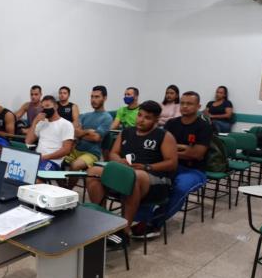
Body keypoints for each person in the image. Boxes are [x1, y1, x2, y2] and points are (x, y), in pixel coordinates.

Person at [87, 101, 178, 238]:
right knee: (93, 172)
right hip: (127, 173)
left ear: (156, 120)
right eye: (139, 115)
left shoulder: (164, 136)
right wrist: (119, 161)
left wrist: (147, 167)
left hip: (154, 180)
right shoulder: (126, 132)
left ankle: (124, 230)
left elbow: (172, 163)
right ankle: (101, 220)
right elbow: (113, 153)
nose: (141, 120)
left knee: (133, 176)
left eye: (147, 118)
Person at [152, 91, 212, 231]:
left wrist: (172, 149)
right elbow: (160, 146)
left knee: (180, 187)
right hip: (170, 165)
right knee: (148, 179)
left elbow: (197, 154)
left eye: (189, 104)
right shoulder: (172, 123)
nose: (185, 106)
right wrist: (182, 148)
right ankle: (140, 217)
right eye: (183, 103)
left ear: (198, 106)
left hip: (194, 171)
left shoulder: (204, 127)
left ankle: (154, 222)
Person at [65, 85, 113, 188]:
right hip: (75, 150)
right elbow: (73, 132)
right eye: (92, 97)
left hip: (91, 153)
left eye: (97, 97)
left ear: (104, 98)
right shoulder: (85, 115)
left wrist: (80, 134)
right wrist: (87, 131)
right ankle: (60, 188)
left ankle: (67, 191)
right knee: (58, 160)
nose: (93, 100)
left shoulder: (107, 118)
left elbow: (96, 138)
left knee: (75, 165)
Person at [25, 95, 74, 171]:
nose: (45, 109)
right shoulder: (42, 122)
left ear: (55, 107)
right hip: (37, 158)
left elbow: (66, 149)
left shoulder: (66, 124)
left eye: (47, 106)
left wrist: (44, 157)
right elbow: (28, 141)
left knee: (36, 177)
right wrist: (35, 122)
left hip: (53, 161)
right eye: (43, 107)